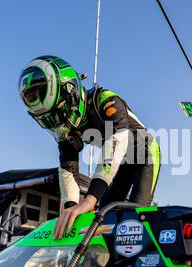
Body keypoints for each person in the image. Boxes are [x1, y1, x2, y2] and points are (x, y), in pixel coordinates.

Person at [18, 56, 161, 239]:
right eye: (51, 119)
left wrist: (90, 199)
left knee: (136, 221)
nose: (59, 123)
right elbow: (67, 169)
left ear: (72, 93)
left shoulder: (106, 100)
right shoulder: (66, 128)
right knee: (104, 219)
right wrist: (69, 211)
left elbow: (117, 142)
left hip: (145, 154)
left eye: (60, 113)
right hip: (121, 163)